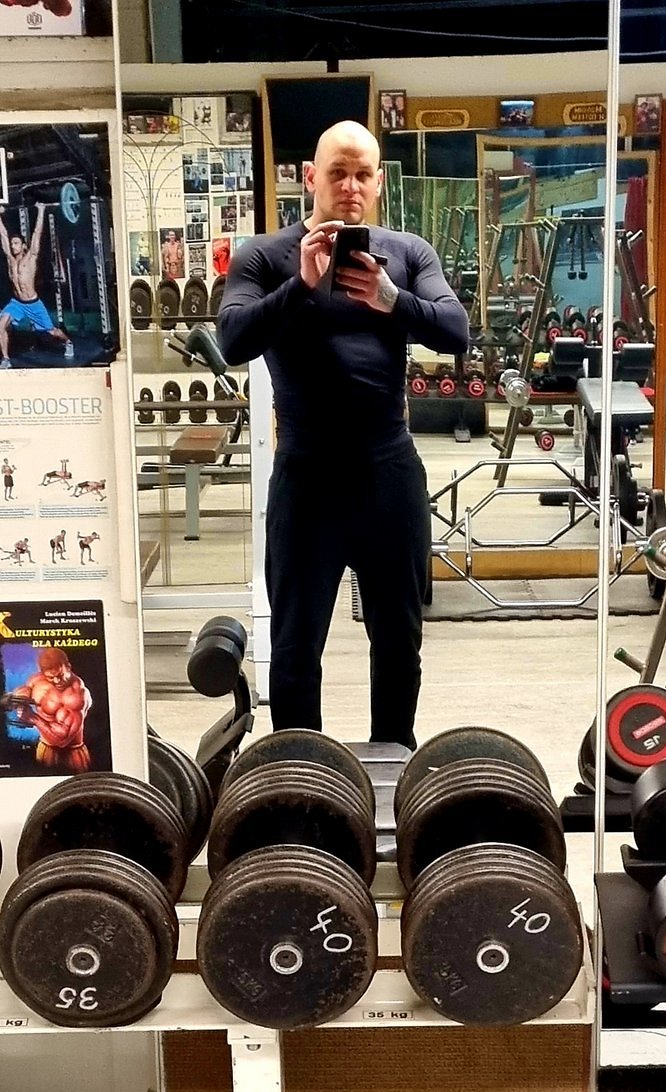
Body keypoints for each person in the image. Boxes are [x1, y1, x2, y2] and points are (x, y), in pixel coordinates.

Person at [217, 119, 469, 748]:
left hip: (389, 475)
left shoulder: (406, 254)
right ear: (311, 178)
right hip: (306, 479)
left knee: (399, 641)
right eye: (338, 172)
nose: (351, 186)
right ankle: (302, 778)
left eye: (363, 175)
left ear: (379, 182)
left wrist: (392, 299)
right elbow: (233, 339)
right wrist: (302, 285)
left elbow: (455, 330)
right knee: (295, 648)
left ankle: (394, 762)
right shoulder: (265, 256)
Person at [0, 203, 74, 368]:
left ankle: (67, 342)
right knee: (1, 325)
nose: (12, 246)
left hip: (33, 303)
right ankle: (6, 359)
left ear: (23, 245)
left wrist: (41, 211)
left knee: (51, 331)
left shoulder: (31, 257)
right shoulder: (10, 260)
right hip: (17, 303)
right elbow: (3, 235)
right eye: (12, 244)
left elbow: (37, 233)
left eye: (16, 243)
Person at [1, 646, 92, 771]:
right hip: (45, 747)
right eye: (50, 677)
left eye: (60, 675)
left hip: (72, 753)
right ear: (43, 673)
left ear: (68, 667)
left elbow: (62, 740)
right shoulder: (37, 680)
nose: (57, 681)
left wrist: (33, 718)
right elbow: (25, 691)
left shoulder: (78, 695)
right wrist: (15, 700)